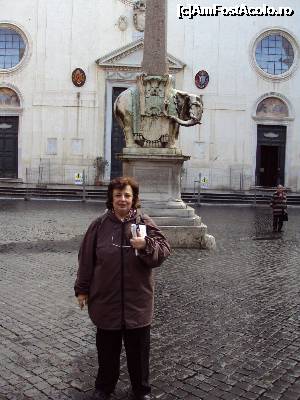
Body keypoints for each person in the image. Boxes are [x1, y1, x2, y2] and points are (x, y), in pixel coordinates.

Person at [74, 176, 171, 400]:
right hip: (106, 301)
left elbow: (165, 249)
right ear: (111, 197)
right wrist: (82, 290)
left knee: (138, 353)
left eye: (127, 195)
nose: (122, 199)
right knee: (107, 351)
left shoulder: (143, 222)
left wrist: (146, 245)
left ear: (134, 198)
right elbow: (86, 260)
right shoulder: (98, 225)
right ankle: (104, 387)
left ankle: (141, 390)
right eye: (118, 195)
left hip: (138, 302)